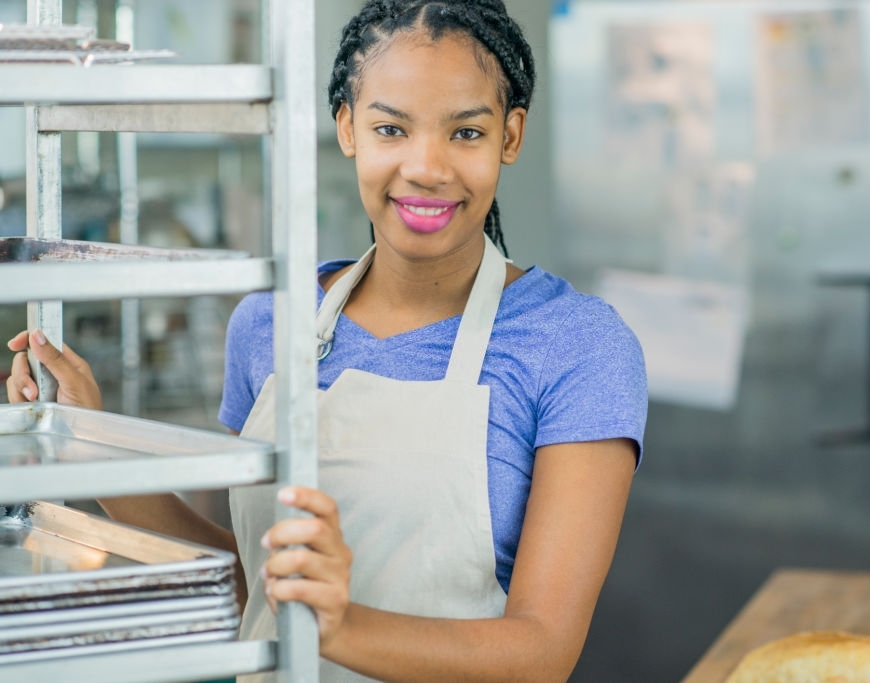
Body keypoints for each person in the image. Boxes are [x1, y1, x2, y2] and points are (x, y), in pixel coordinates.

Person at [6, 1, 647, 681]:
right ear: (347, 127)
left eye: (465, 133)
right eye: (390, 128)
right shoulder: (268, 324)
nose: (426, 168)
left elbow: (542, 650)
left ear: (510, 137)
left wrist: (340, 625)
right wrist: (94, 439)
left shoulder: (577, 344)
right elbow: (257, 585)